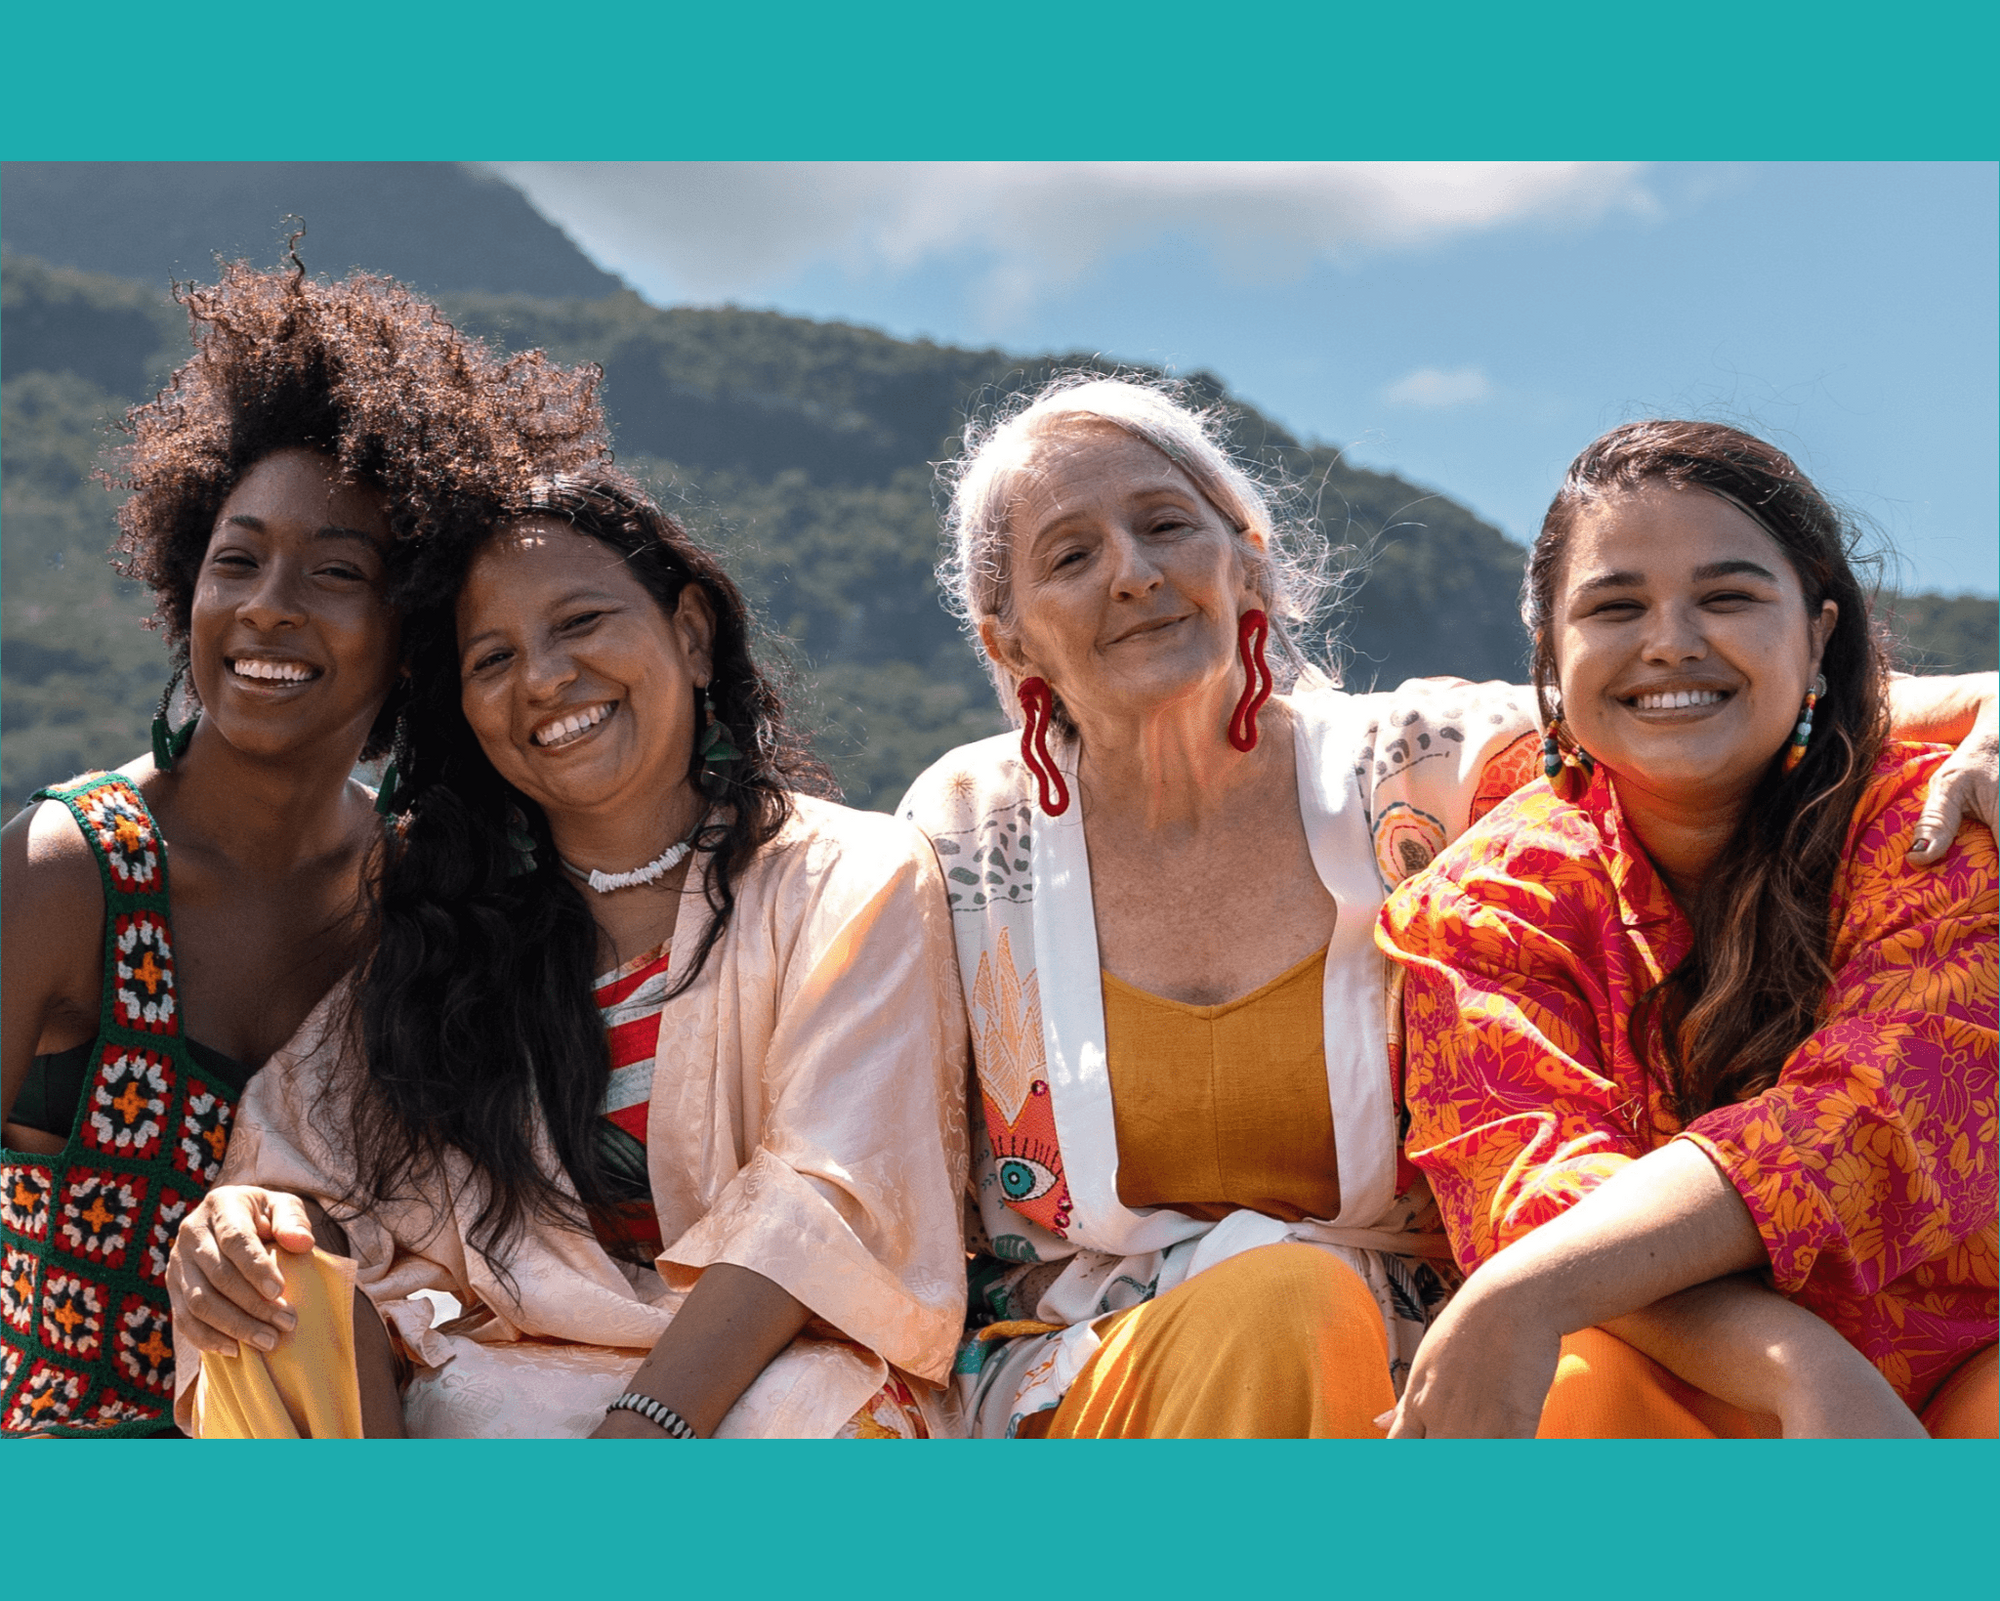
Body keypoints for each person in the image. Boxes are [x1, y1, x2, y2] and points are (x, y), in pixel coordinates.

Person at [897, 376, 1997, 1439]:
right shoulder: (958, 833)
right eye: (1071, 554)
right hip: (1119, 1349)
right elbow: (1523, 1166)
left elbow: (1688, 700)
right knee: (1405, 1339)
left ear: (1248, 560)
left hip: (1452, 1333)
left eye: (1165, 525)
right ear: (1005, 636)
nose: (1130, 573)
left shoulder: (1423, 768)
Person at [167, 469, 969, 1438]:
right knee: (266, 1297)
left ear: (691, 633)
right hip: (502, 1386)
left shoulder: (850, 872)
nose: (543, 677)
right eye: (492, 657)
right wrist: (245, 1224)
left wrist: (636, 1434)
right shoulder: (447, 931)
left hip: (773, 1395)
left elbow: (825, 1195)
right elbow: (305, 1161)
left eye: (580, 621)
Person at [0, 255, 601, 1436]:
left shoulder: (421, 899)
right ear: (187, 588)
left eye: (337, 572)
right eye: (237, 559)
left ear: (416, 635)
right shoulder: (65, 872)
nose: (270, 605)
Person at [1377, 420, 1996, 1438]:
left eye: (1727, 596)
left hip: (1967, 1364)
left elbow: (1879, 1108)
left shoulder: (1939, 823)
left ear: (1818, 635)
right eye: (1614, 606)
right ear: (1550, 656)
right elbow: (1530, 1185)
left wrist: (1528, 1287)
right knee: (1579, 1390)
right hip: (1682, 1380)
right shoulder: (1482, 902)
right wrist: (1794, 1360)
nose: (1668, 641)